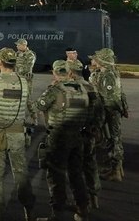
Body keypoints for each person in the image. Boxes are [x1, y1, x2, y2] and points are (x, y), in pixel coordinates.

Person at [0, 48, 35, 221]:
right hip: (17, 134)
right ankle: (29, 212)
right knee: (21, 175)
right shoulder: (24, 82)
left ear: (0, 63)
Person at [35, 60, 90, 221]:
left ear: (55, 72)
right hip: (77, 137)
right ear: (69, 72)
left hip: (59, 138)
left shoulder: (55, 89)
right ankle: (82, 210)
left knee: (56, 176)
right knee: (76, 174)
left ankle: (57, 214)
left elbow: (40, 105)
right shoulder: (81, 89)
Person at [67, 58, 105, 210]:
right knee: (90, 165)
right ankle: (94, 197)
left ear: (70, 72)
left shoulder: (71, 88)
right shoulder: (91, 87)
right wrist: (96, 128)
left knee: (75, 168)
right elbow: (100, 111)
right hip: (89, 133)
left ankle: (80, 202)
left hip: (74, 134)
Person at [89, 48, 128, 181]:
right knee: (113, 139)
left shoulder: (108, 75)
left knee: (114, 139)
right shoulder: (107, 73)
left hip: (109, 112)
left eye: (97, 58)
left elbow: (109, 99)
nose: (94, 60)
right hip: (111, 111)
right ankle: (116, 169)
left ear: (102, 61)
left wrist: (101, 117)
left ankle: (116, 170)